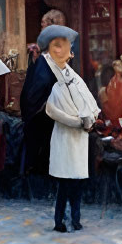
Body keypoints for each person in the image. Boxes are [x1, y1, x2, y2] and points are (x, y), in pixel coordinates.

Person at [44, 30, 100, 233]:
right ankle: (59, 221)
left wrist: (89, 120)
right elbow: (51, 110)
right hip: (64, 138)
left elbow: (91, 106)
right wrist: (76, 122)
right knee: (64, 185)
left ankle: (75, 219)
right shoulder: (55, 85)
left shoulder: (78, 81)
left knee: (76, 184)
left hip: (78, 140)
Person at [19, 23, 70, 180]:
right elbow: (38, 90)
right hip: (39, 116)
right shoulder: (44, 63)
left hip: (41, 114)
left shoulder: (50, 63)